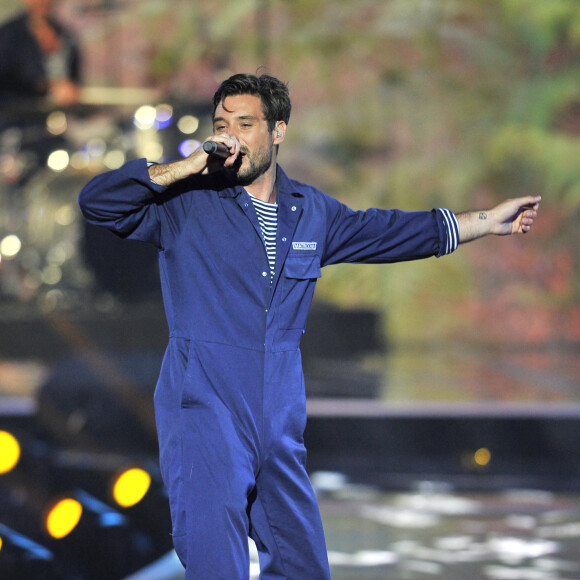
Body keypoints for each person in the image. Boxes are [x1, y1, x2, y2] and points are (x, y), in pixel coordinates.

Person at [78, 72, 540, 579]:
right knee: (216, 564)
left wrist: (486, 221)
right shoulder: (185, 202)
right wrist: (184, 167)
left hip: (278, 413)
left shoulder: (311, 212)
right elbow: (98, 203)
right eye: (221, 123)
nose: (229, 136)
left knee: (304, 567)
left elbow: (390, 232)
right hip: (205, 405)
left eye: (246, 124)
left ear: (277, 131)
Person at [0, 0, 81, 106]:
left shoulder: (64, 34)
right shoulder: (9, 34)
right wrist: (49, 87)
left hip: (59, 112)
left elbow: (74, 75)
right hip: (19, 113)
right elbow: (8, 78)